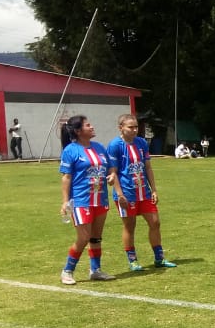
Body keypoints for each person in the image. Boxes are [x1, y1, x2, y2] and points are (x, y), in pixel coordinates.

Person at [107, 114, 177, 271]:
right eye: (130, 127)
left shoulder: (141, 143)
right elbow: (113, 172)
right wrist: (120, 194)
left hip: (144, 192)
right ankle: (133, 261)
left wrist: (154, 190)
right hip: (126, 194)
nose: (134, 130)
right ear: (121, 128)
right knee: (130, 226)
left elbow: (148, 167)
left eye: (136, 127)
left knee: (155, 222)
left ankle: (159, 258)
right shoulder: (115, 145)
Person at [58, 115, 116, 284]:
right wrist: (65, 201)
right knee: (83, 237)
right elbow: (66, 177)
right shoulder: (71, 150)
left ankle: (95, 270)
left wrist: (112, 175)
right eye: (88, 125)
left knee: (96, 237)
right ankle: (67, 271)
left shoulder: (99, 147)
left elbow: (110, 168)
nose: (92, 127)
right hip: (81, 200)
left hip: (101, 199)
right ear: (78, 131)